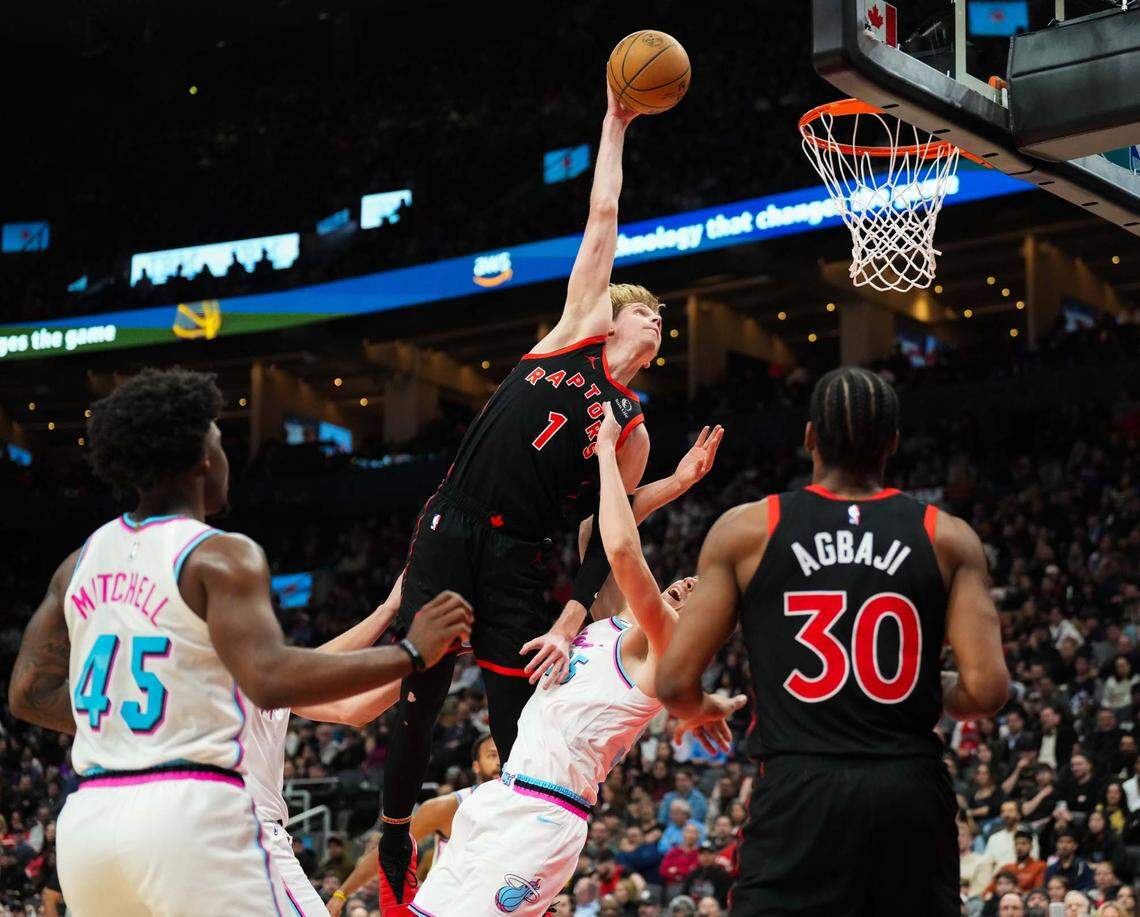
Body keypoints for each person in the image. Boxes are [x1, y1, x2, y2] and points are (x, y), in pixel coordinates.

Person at [5, 368, 472, 916]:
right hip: (190, 817)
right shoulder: (219, 554)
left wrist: (142, 726)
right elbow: (272, 678)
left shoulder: (77, 563)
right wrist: (411, 651)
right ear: (203, 455)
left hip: (89, 827)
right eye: (221, 440)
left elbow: (28, 695)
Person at [376, 80, 679, 907]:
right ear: (614, 318)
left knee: (527, 713)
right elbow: (604, 217)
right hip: (453, 521)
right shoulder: (575, 331)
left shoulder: (635, 428)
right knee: (425, 683)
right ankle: (395, 833)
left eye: (662, 317)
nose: (657, 317)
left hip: (520, 555)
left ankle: (518, 879)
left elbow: (603, 545)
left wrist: (570, 618)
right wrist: (615, 125)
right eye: (646, 307)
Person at [654, 367, 1011, 916]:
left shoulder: (749, 529)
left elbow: (675, 682)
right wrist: (916, 683)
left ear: (809, 438)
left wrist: (704, 707)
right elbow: (987, 691)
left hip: (799, 789)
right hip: (907, 788)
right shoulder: (947, 535)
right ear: (892, 443)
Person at [407, 404, 741, 916]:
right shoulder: (620, 624)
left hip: (544, 814)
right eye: (693, 577)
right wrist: (676, 482)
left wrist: (607, 451)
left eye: (704, 590)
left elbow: (624, 551)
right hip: (505, 796)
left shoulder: (664, 643)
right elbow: (594, 538)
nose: (689, 582)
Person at [247, 575, 407, 915]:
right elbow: (315, 668)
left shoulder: (267, 684)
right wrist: (416, 650)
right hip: (248, 833)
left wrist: (422, 669)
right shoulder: (248, 675)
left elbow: (352, 711)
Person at [329, 733, 501, 915]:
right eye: (492, 755)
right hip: (449, 908)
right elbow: (388, 850)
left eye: (504, 755)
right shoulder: (449, 806)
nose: (499, 762)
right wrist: (342, 893)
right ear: (476, 765)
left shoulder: (528, 808)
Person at [988, 829, 1046, 894]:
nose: (1019, 847)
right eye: (1016, 844)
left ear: (1031, 847)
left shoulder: (1040, 866)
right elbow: (990, 889)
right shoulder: (1006, 868)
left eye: (1023, 843)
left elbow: (1038, 892)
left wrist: (1020, 892)